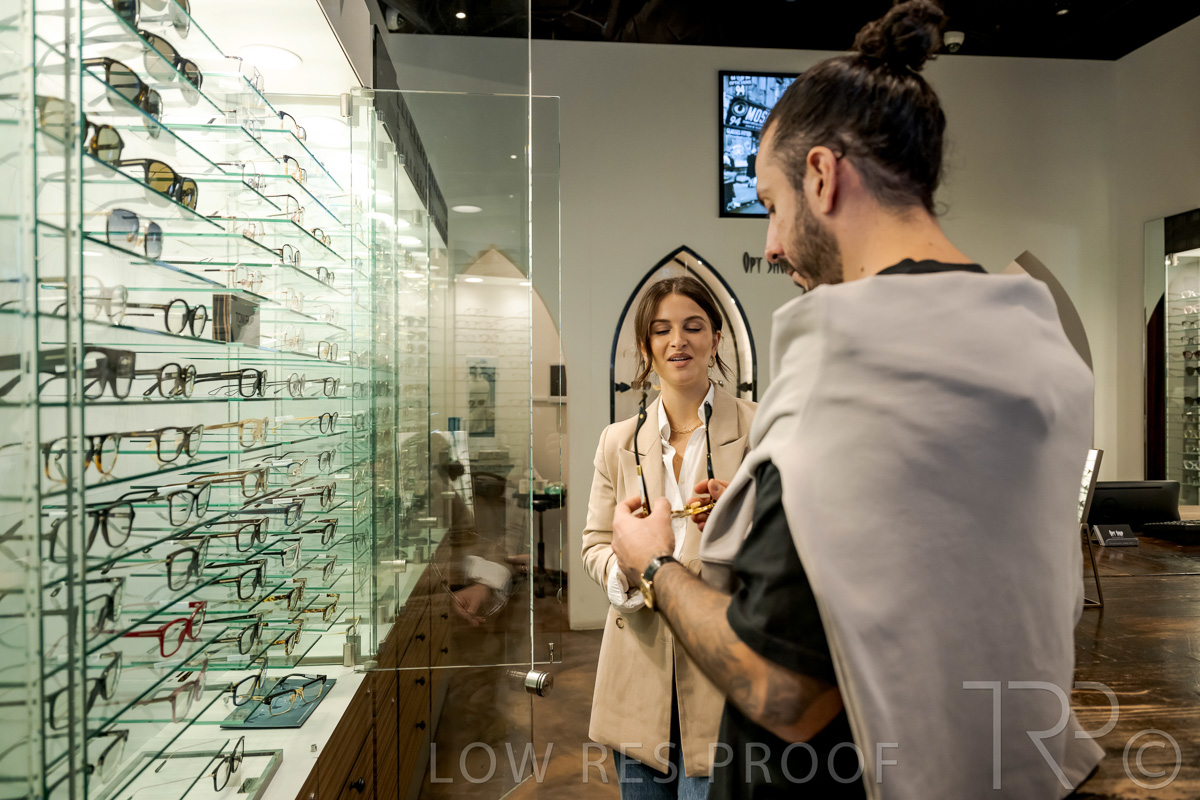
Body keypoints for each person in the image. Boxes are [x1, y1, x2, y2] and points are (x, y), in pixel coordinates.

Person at [610, 2, 1105, 798]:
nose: (772, 244)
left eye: (772, 205)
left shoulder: (846, 367)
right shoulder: (1039, 347)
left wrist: (655, 565)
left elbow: (785, 692)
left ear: (822, 175)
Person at [583, 276, 756, 798]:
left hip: (725, 671)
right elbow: (594, 544)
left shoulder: (761, 429)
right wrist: (627, 567)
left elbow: (792, 545)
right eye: (662, 330)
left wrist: (743, 524)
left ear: (716, 339)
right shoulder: (617, 442)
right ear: (646, 347)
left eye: (693, 326)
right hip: (637, 674)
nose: (678, 341)